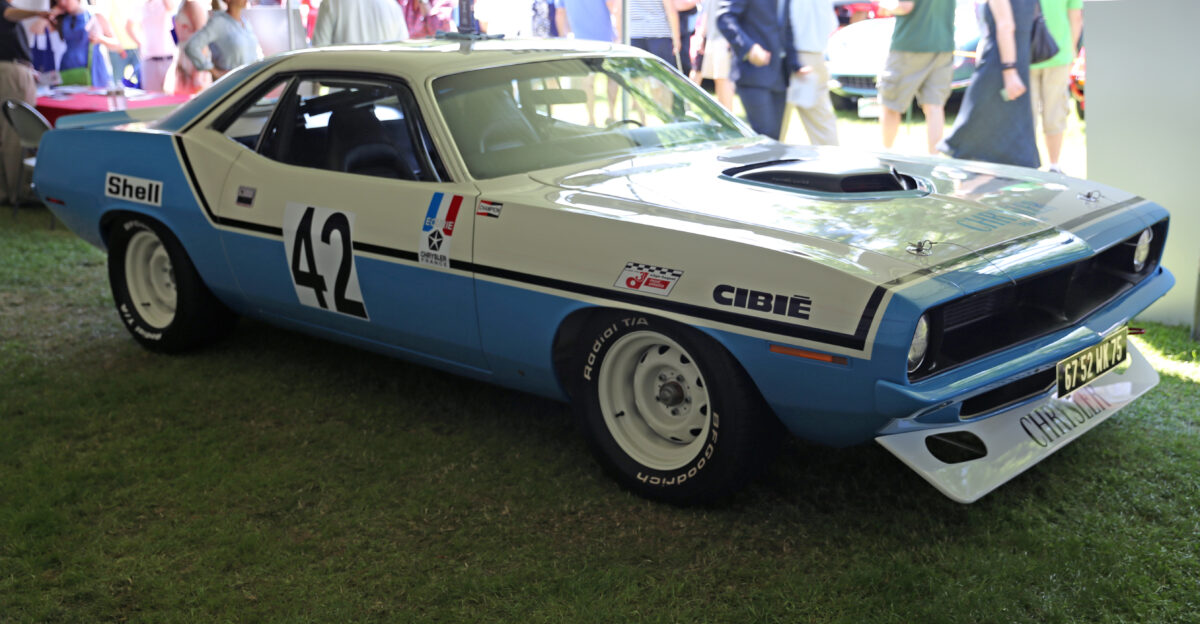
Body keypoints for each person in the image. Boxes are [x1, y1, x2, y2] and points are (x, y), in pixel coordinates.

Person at [939, 0, 1038, 168]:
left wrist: (1009, 70)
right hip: (1014, 62)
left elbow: (1006, 25)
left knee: (971, 138)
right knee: (1007, 138)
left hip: (1001, 65)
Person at [877, 0, 955, 154]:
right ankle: (934, 161)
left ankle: (885, 157)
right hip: (943, 44)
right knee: (934, 106)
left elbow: (904, 6)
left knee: (891, 104)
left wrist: (884, 4)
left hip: (910, 45)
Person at [717, 0, 803, 140]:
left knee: (776, 138)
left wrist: (795, 64)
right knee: (765, 137)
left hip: (780, 75)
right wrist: (749, 48)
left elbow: (785, 27)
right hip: (753, 73)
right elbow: (725, 18)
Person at [1, 0, 52, 207]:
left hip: (11, 70)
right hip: (11, 72)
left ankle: (5, 191)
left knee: (5, 133)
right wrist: (39, 13)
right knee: (16, 132)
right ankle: (18, 191)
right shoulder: (5, 7)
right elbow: (9, 14)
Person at [1029, 0, 1081, 173]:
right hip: (1059, 55)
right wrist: (1070, 52)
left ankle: (1029, 165)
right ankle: (1054, 165)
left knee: (1028, 115)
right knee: (1055, 112)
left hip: (1026, 54)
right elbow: (1076, 17)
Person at [554, 0, 619, 124]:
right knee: (612, 78)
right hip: (606, 41)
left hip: (581, 42)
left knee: (588, 81)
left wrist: (565, 36)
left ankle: (591, 119)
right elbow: (612, 6)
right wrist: (619, 33)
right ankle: (611, 115)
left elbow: (560, 13)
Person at [784, 0, 837, 145]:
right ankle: (834, 164)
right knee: (821, 123)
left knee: (776, 123)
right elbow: (832, 24)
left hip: (791, 56)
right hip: (816, 56)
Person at [52, 0, 123, 87]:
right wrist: (50, 14)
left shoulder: (94, 16)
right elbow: (36, 29)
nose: (62, 3)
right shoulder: (62, 19)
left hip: (92, 69)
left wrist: (101, 39)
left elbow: (118, 46)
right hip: (67, 68)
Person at [182, 0, 259, 79]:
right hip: (233, 83)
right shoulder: (218, 22)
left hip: (251, 81)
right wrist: (216, 72)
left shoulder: (246, 23)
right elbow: (192, 47)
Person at [689, 0, 734, 110]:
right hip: (711, 38)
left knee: (723, 80)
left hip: (724, 38)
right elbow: (706, 11)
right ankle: (722, 117)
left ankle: (729, 120)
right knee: (718, 79)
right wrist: (700, 35)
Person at [126, 0, 177, 91]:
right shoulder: (139, 5)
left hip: (168, 58)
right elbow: (128, 26)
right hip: (149, 59)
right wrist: (141, 43)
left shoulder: (164, 3)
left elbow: (171, 7)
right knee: (151, 96)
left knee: (171, 94)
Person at [311, 0, 406, 46]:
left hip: (344, 80)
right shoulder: (394, 7)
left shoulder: (331, 3)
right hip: (386, 82)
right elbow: (403, 48)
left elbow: (319, 48)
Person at [168, 0, 210, 94]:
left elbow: (201, 41)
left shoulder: (193, 5)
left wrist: (197, 74)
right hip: (183, 57)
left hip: (192, 61)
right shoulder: (183, 4)